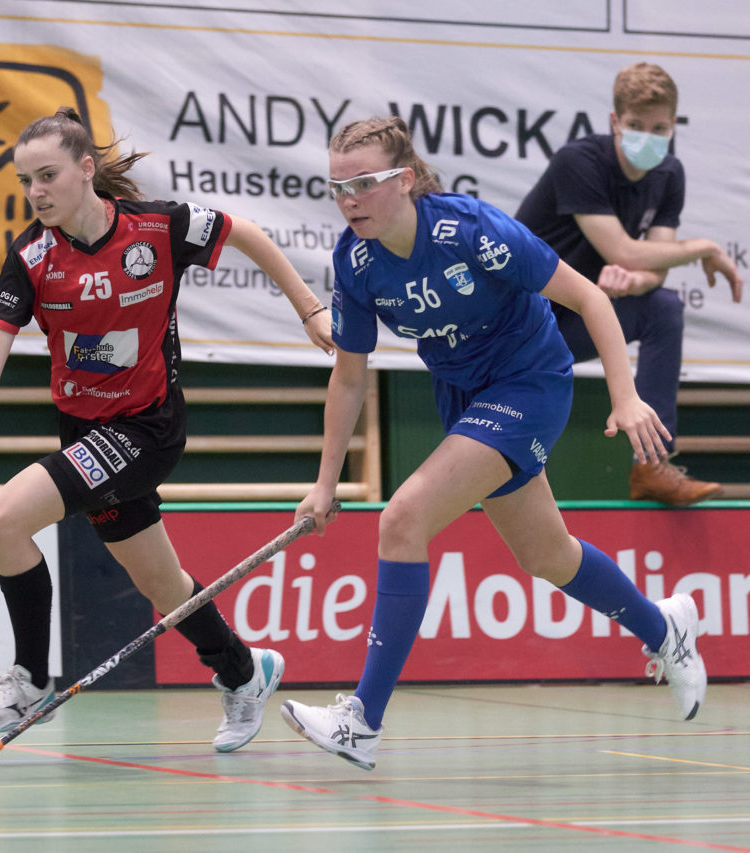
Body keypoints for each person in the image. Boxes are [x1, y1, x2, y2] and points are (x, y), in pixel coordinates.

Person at [280, 116, 707, 772]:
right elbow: (349, 374)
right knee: (546, 553)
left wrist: (625, 396)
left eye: (364, 183)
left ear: (407, 180)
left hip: (530, 380)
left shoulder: (472, 232)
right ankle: (666, 628)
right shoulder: (356, 261)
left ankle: (362, 719)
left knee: (403, 518)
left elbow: (591, 298)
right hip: (463, 394)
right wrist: (326, 481)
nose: (349, 199)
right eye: (338, 186)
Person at [0, 107, 336, 752]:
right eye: (26, 179)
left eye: (48, 175)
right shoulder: (32, 257)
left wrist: (309, 308)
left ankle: (30, 681)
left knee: (4, 519)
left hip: (147, 429)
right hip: (84, 435)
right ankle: (244, 670)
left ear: (86, 169)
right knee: (162, 585)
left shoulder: (159, 228)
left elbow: (246, 232)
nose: (36, 191)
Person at [516, 62, 743, 507]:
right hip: (518, 325)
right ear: (615, 122)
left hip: (578, 317)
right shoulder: (578, 162)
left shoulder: (668, 174)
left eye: (659, 127)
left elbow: (648, 265)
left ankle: (651, 466)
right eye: (636, 126)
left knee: (662, 306)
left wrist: (634, 282)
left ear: (673, 125)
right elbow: (624, 249)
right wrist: (702, 247)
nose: (648, 136)